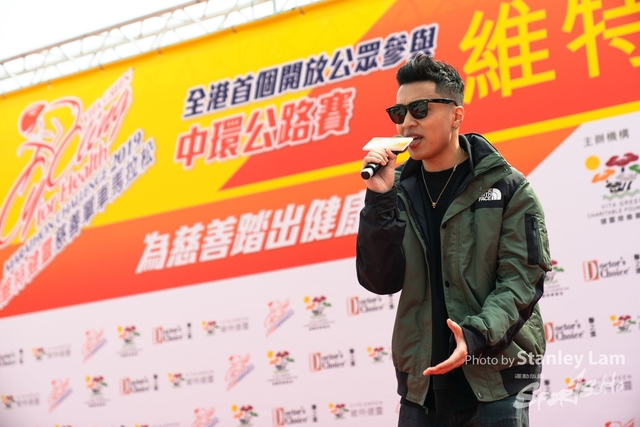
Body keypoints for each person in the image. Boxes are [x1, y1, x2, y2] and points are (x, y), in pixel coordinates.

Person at [355, 53, 551, 427]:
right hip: (421, 389)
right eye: (399, 113)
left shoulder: (508, 187)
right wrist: (379, 199)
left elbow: (522, 280)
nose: (407, 123)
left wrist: (474, 335)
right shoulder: (396, 191)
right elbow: (380, 280)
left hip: (495, 381)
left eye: (420, 109)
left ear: (456, 115)